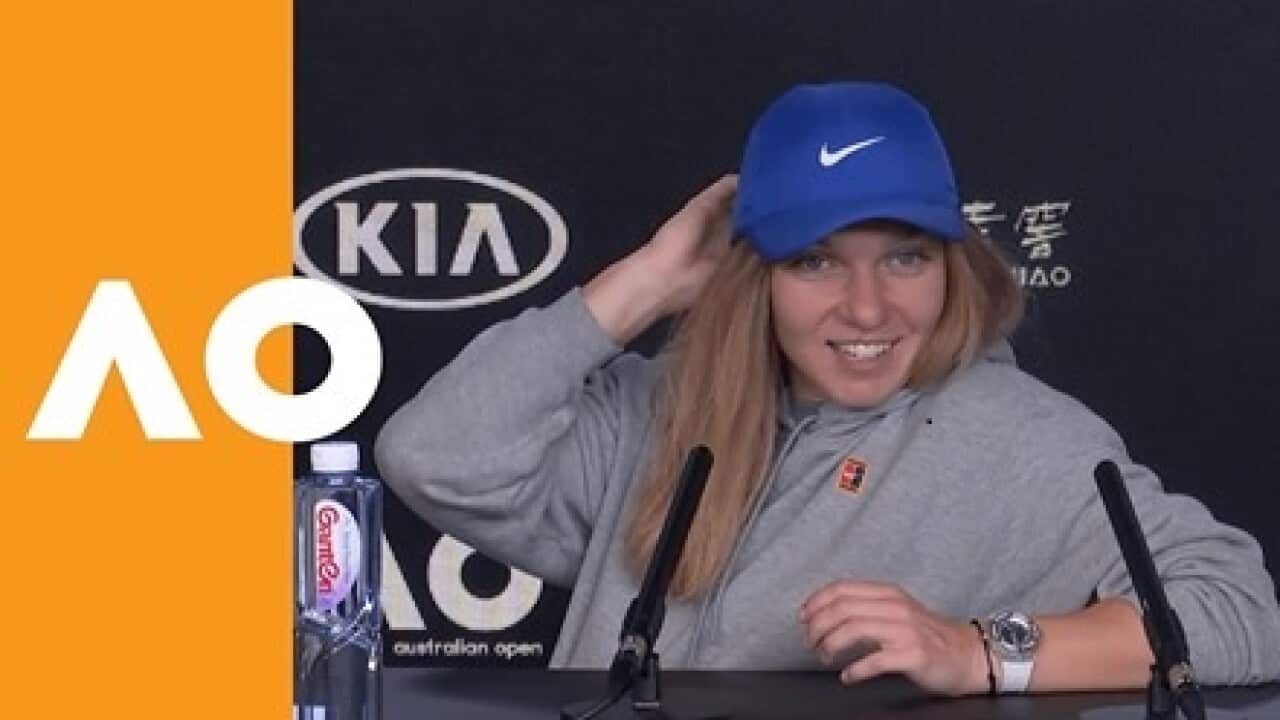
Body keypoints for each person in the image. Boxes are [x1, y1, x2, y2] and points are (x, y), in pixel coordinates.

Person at [375, 82, 1280, 695]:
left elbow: (1239, 613)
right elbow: (434, 457)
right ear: (752, 277)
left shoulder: (1024, 441)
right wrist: (648, 279)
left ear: (951, 266)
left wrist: (977, 651)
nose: (867, 306)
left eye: (904, 257)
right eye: (814, 261)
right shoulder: (659, 413)